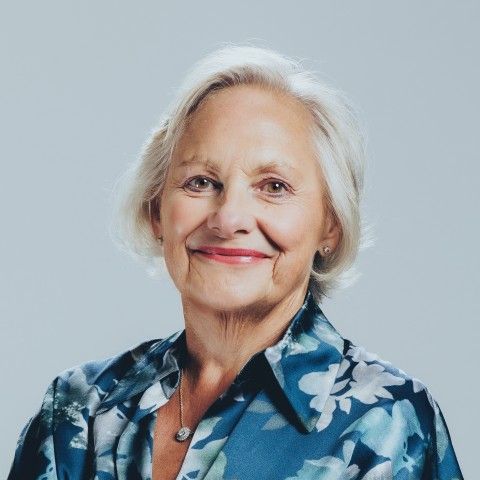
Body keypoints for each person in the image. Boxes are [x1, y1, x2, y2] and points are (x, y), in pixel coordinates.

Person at [8, 44, 464, 480]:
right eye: (201, 182)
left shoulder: (389, 421)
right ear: (156, 211)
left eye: (274, 187)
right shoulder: (78, 410)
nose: (228, 219)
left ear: (331, 225)